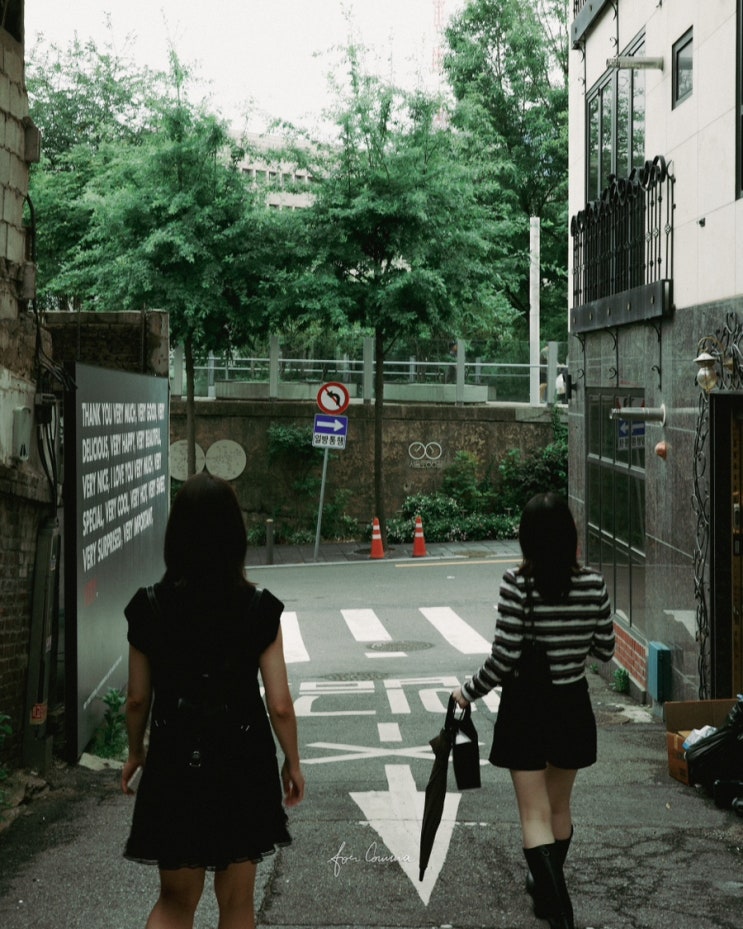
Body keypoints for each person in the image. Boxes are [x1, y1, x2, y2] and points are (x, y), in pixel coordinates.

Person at [121, 472, 304, 929]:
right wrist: (293, 761)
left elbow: (137, 699)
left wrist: (135, 752)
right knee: (237, 902)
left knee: (175, 900)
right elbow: (280, 704)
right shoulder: (259, 608)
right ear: (235, 537)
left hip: (174, 759)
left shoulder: (149, 606)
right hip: (243, 759)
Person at [452, 492, 614, 929]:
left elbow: (504, 658)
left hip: (527, 708)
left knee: (534, 814)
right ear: (571, 536)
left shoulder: (517, 583)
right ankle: (546, 891)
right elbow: (605, 648)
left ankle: (559, 911)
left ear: (526, 539)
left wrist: (467, 693)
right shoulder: (594, 584)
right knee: (558, 808)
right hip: (572, 705)